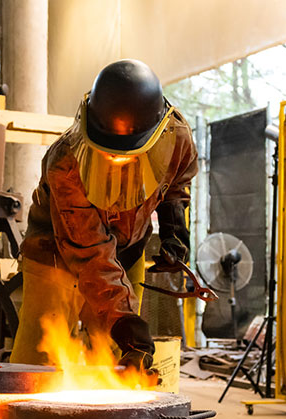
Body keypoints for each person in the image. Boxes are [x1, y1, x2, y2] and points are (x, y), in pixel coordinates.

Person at [10, 58, 198, 370]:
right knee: (39, 358)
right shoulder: (65, 164)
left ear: (156, 138)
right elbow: (91, 253)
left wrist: (174, 230)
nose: (116, 160)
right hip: (56, 250)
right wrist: (126, 323)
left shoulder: (176, 136)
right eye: (108, 153)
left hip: (128, 247)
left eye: (127, 155)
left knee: (119, 358)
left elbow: (177, 179)